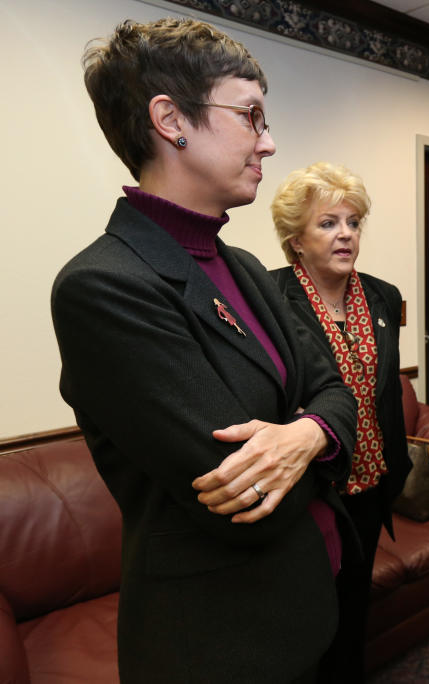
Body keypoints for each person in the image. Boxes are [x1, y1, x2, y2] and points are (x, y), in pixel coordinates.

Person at [51, 19, 357, 683]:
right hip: (220, 645)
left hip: (306, 605)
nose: (269, 142)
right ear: (171, 119)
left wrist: (304, 434)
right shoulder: (103, 286)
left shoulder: (243, 265)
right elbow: (241, 496)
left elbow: (335, 389)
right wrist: (325, 431)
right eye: (250, 116)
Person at [270, 161, 411, 681]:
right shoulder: (269, 298)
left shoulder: (381, 295)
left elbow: (386, 393)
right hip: (311, 490)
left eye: (353, 222)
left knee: (354, 605)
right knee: (308, 614)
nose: (346, 234)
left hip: (371, 484)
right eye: (328, 223)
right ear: (296, 239)